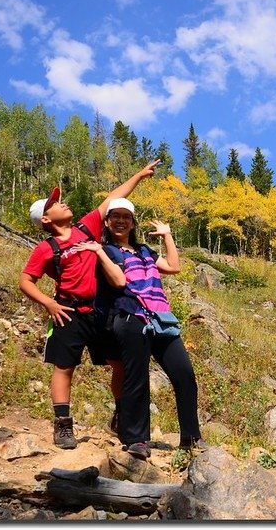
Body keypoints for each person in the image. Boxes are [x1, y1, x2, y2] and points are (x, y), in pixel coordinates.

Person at [19, 160, 159, 449]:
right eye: (55, 204)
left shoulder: (87, 228)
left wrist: (139, 176)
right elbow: (25, 281)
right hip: (67, 312)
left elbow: (112, 198)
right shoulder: (46, 248)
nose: (62, 203)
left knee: (118, 364)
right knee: (64, 367)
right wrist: (49, 304)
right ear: (46, 219)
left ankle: (121, 415)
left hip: (100, 311)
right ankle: (63, 426)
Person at [100, 197, 205, 459]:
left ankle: (191, 438)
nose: (121, 221)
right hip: (129, 316)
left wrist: (168, 235)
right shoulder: (106, 251)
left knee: (184, 374)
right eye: (116, 216)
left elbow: (174, 267)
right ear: (107, 221)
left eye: (126, 217)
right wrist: (99, 251)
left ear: (133, 222)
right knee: (137, 377)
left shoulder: (145, 250)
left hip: (160, 319)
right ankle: (136, 438)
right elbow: (116, 282)